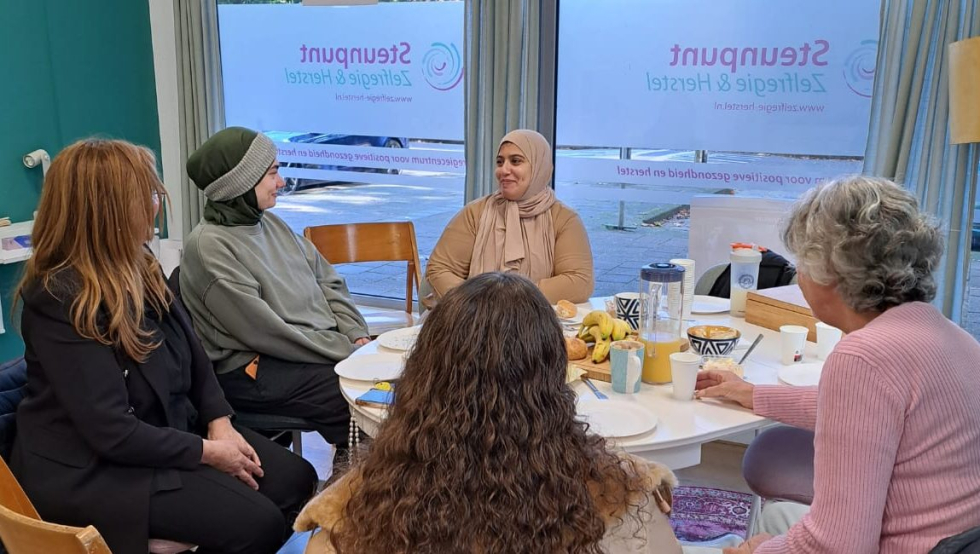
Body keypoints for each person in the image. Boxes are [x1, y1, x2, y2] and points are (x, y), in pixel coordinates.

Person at [12, 139, 318, 554]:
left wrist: (219, 419)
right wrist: (210, 453)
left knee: (296, 479)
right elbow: (112, 432)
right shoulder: (60, 298)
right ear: (108, 211)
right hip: (95, 468)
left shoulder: (140, 264)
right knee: (256, 522)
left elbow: (191, 349)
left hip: (162, 429)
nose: (155, 206)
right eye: (146, 196)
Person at [292, 272, 681, 554]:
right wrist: (638, 476)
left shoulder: (351, 518)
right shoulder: (619, 499)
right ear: (551, 382)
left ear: (424, 375)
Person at [695, 176, 980, 553]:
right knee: (777, 518)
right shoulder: (952, 337)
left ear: (832, 270)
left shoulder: (863, 357)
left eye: (802, 261)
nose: (798, 275)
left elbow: (836, 546)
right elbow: (868, 412)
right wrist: (754, 395)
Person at [179, 126, 370, 461]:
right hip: (252, 368)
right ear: (241, 183)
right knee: (356, 397)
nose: (281, 182)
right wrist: (344, 352)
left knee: (382, 389)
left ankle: (363, 488)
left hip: (304, 350)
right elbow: (267, 332)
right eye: (272, 173)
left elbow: (329, 281)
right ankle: (355, 498)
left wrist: (356, 337)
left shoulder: (271, 224)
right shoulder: (209, 247)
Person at [425, 129, 594, 304]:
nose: (504, 170)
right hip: (474, 321)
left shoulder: (563, 219)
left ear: (539, 166)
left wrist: (512, 300)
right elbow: (439, 269)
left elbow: (579, 281)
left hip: (536, 322)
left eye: (515, 161)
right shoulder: (476, 213)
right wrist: (478, 304)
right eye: (500, 162)